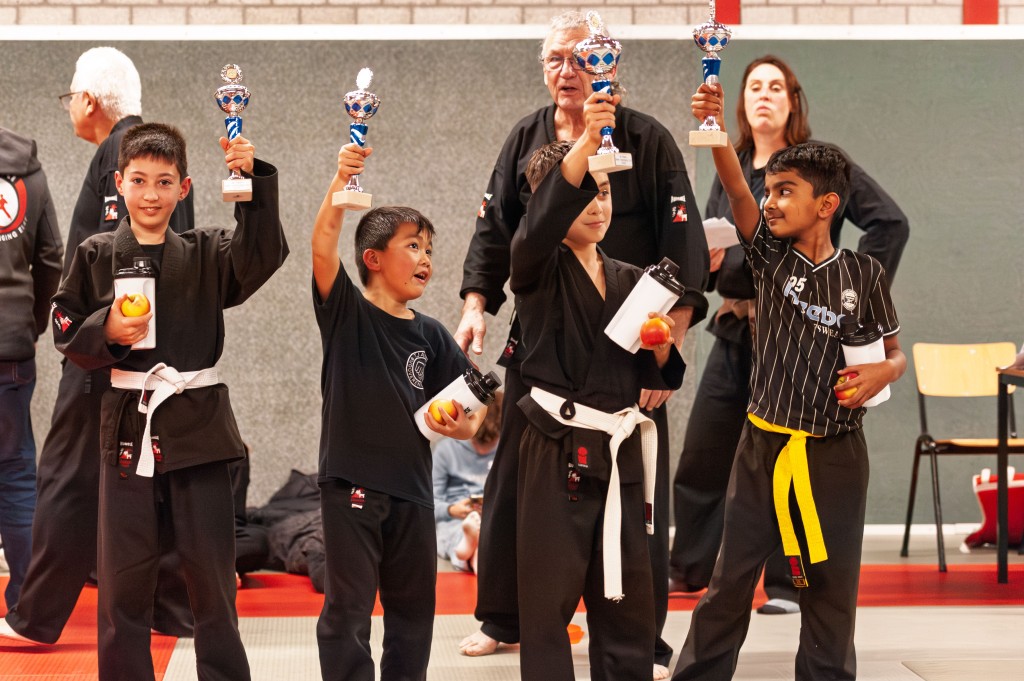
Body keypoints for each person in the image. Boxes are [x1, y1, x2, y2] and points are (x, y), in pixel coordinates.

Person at [456, 11, 709, 675]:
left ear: (607, 63)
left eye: (580, 58)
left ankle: (639, 638)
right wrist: (476, 303)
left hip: (627, 343)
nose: (567, 71)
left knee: (635, 501)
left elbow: (684, 245)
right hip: (545, 345)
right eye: (556, 60)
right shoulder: (527, 138)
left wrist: (666, 348)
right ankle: (506, 618)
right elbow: (500, 229)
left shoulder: (647, 139)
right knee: (518, 490)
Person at [672, 83, 905, 681]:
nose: (769, 202)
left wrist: (883, 371)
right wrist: (715, 129)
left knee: (831, 590)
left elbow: (894, 355)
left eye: (784, 191)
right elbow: (735, 189)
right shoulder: (768, 257)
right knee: (729, 582)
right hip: (763, 448)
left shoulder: (864, 274)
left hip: (837, 453)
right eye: (768, 191)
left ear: (827, 205)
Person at [49, 122, 287, 680]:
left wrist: (251, 180)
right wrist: (106, 330)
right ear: (119, 185)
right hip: (126, 429)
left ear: (184, 188)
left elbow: (262, 253)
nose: (151, 194)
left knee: (212, 579)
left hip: (198, 426)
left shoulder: (207, 251)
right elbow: (63, 323)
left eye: (163, 182)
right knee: (123, 581)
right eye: (139, 180)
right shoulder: (95, 253)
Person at [1, 47, 196, 645]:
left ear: (88, 101)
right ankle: (172, 609)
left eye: (71, 98)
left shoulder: (121, 154)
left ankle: (35, 617)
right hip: (155, 351)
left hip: (109, 350)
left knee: (66, 476)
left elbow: (122, 257)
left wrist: (102, 337)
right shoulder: (157, 155)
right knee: (155, 474)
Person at [512, 90, 689, 679]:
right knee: (548, 599)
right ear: (548, 205)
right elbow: (537, 230)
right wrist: (589, 138)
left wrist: (661, 347)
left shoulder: (634, 279)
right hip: (557, 445)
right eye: (583, 192)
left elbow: (653, 374)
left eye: (605, 191)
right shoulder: (534, 266)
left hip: (620, 446)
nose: (596, 205)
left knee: (627, 596)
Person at [311, 143, 487, 681]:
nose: (426, 259)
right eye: (413, 246)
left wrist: (464, 423)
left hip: (413, 490)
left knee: (413, 613)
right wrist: (341, 184)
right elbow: (322, 247)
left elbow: (475, 412)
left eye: (429, 248)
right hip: (352, 486)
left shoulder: (432, 335)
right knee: (349, 608)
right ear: (373, 259)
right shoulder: (346, 312)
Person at [0, 127, 63, 609]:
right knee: (17, 470)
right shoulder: (29, 172)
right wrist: (33, 323)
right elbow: (50, 259)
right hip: (13, 345)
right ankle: (26, 602)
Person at [434, 390, 503, 573]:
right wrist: (451, 509)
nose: (483, 451)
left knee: (496, 531)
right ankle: (472, 549)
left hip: (493, 519)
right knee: (456, 530)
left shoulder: (506, 451)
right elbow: (430, 501)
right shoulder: (446, 450)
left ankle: (470, 552)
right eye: (478, 444)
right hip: (457, 520)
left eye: (490, 444)